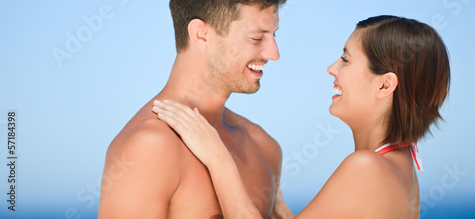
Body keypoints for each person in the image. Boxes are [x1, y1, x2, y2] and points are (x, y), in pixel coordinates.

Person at [153, 15, 451, 218]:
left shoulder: (366, 167)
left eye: (346, 59)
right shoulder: (403, 167)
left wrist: (218, 157)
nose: (332, 68)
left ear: (384, 84)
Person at [98, 0, 290, 218]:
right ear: (201, 35)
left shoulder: (264, 146)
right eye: (257, 37)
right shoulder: (149, 148)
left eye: (273, 35)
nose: (274, 53)